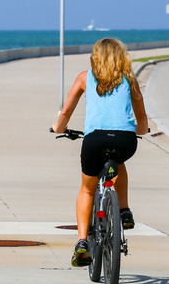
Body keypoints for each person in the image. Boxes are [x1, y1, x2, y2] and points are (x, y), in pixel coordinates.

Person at [51, 37, 149, 267]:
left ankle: (82, 243)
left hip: (95, 140)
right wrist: (141, 131)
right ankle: (124, 211)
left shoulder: (85, 78)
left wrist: (59, 128)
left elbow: (66, 112)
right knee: (118, 162)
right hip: (125, 140)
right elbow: (142, 117)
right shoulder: (130, 80)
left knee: (87, 189)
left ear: (95, 57)